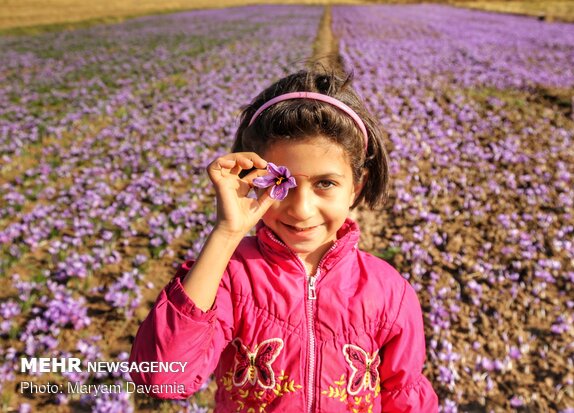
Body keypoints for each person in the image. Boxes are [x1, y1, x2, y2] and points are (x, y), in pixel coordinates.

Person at [129, 67, 438, 412]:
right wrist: (226, 233)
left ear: (356, 187)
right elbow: (163, 378)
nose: (301, 209)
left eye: (325, 183)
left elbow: (404, 396)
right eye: (281, 183)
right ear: (253, 180)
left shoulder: (390, 292)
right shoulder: (230, 276)